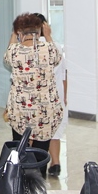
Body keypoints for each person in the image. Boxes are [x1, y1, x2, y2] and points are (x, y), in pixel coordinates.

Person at [4, 13, 64, 177]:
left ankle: (20, 182)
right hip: (46, 113)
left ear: (19, 32)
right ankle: (39, 181)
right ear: (39, 31)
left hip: (20, 114)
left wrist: (13, 35)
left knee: (20, 150)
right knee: (41, 152)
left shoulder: (14, 51)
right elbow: (57, 59)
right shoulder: (49, 49)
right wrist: (48, 36)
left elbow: (7, 56)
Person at [32, 13, 67, 177]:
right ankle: (56, 162)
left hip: (39, 99)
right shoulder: (56, 46)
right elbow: (64, 74)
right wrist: (64, 96)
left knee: (37, 134)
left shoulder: (30, 48)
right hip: (57, 97)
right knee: (55, 132)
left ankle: (37, 166)